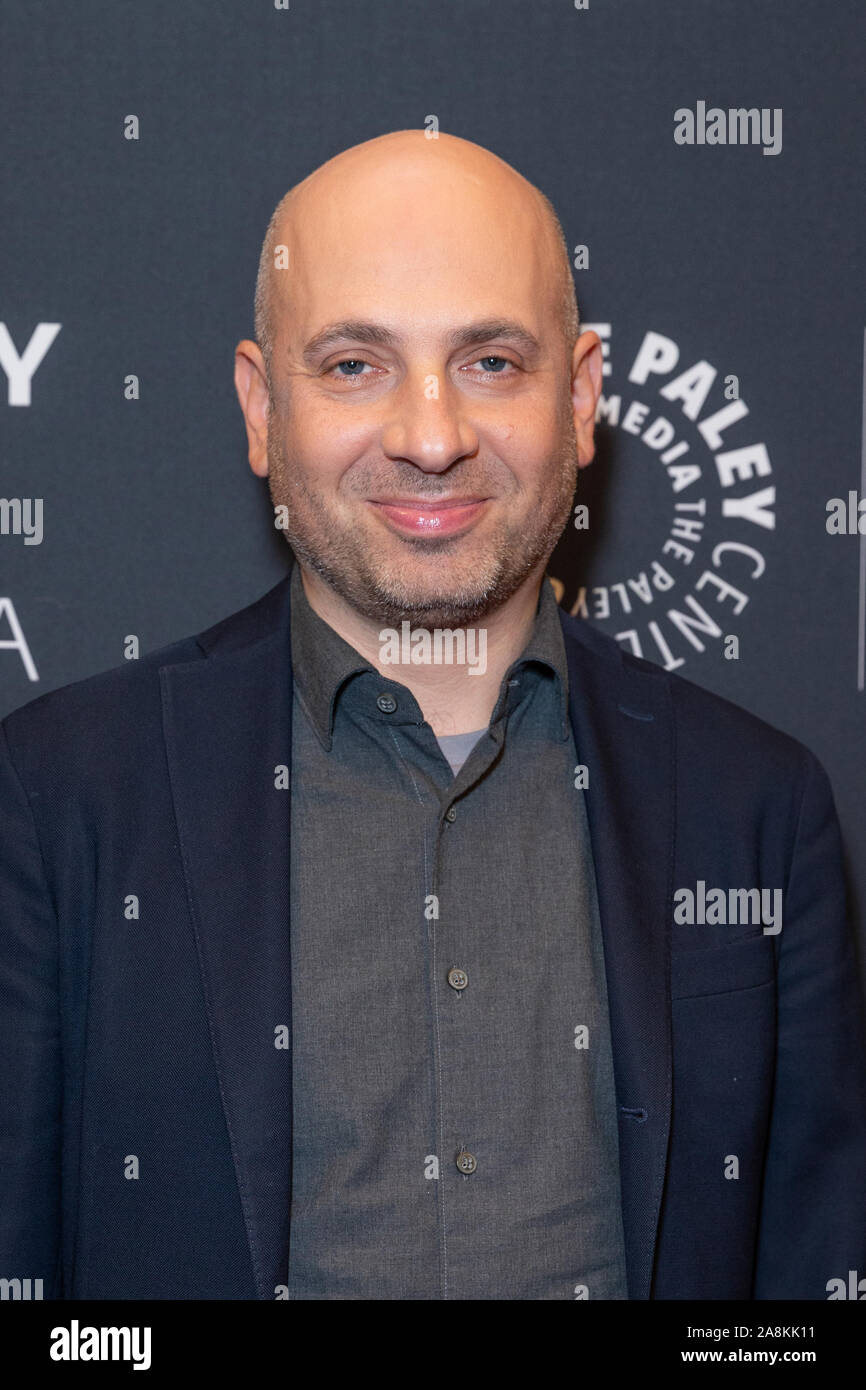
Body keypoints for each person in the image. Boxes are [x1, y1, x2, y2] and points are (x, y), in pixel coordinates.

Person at [1, 130, 864, 1301]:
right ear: (262, 409)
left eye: (491, 362)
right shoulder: (60, 798)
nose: (428, 434)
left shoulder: (755, 807)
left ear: (582, 396)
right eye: (354, 365)